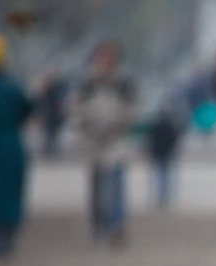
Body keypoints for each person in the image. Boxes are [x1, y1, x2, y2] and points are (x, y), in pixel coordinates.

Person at [76, 39, 137, 247]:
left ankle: (115, 227)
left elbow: (134, 109)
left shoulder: (124, 81)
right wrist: (88, 122)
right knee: (96, 187)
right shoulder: (88, 82)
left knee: (115, 184)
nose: (105, 60)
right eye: (102, 56)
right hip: (93, 141)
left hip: (116, 140)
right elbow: (76, 108)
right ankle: (98, 226)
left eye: (109, 56)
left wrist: (118, 121)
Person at [0, 34, 33, 261]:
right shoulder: (14, 87)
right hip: (13, 145)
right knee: (10, 192)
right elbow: (28, 108)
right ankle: (5, 241)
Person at [144, 104, 184, 210]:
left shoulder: (156, 126)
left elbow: (152, 140)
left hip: (159, 153)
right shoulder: (170, 126)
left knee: (160, 177)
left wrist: (152, 151)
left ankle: (161, 197)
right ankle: (166, 197)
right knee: (166, 177)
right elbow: (174, 140)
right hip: (167, 153)